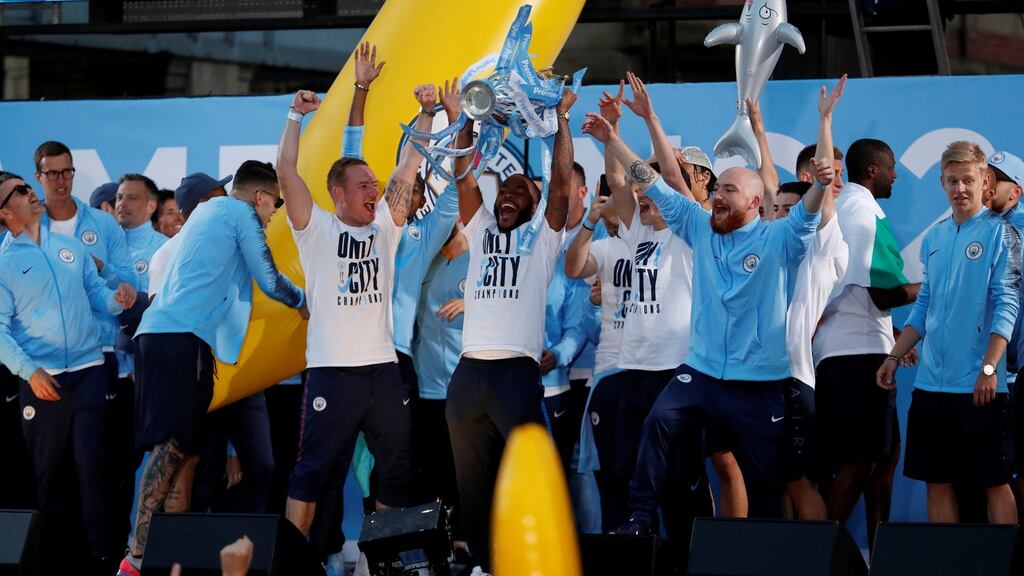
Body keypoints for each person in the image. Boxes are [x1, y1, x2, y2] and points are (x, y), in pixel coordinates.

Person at [582, 97, 829, 530]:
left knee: (764, 482)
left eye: (727, 192)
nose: (716, 197)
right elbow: (654, 182)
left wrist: (821, 185)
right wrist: (614, 139)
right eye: (716, 191)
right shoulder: (698, 226)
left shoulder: (778, 240)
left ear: (754, 204)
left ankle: (766, 549)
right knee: (660, 420)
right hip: (701, 371)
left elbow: (807, 217)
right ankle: (640, 515)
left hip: (759, 382)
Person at [118, 160, 305, 576]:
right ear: (258, 197)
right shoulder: (240, 215)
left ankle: (157, 556)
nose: (273, 212)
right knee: (171, 449)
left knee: (180, 448)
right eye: (272, 203)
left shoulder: (209, 213)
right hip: (177, 340)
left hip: (166, 338)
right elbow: (271, 280)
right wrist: (306, 303)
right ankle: (136, 556)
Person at [279, 57, 423, 536]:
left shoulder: (385, 226)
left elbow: (409, 165)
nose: (374, 190)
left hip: (382, 370)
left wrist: (425, 113)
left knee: (397, 469)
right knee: (313, 472)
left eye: (374, 185)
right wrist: (296, 116)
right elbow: (286, 171)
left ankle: (374, 564)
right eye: (363, 185)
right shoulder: (315, 229)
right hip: (332, 372)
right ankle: (292, 564)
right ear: (337, 194)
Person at [444, 85, 576, 570]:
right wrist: (462, 121)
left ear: (534, 206)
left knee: (528, 477)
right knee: (472, 487)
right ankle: (481, 563)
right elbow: (463, 180)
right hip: (468, 377)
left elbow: (560, 184)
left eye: (521, 193)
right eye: (505, 189)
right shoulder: (479, 229)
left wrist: (561, 119)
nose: (508, 196)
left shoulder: (542, 239)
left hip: (516, 377)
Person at [878, 140, 1020, 525]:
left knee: (993, 483)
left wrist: (990, 369)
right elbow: (925, 306)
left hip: (979, 384)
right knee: (936, 482)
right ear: (941, 182)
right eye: (953, 181)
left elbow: (1008, 304)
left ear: (984, 181)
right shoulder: (935, 239)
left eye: (968, 180)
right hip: (930, 387)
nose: (960, 189)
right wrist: (893, 356)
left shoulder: (1001, 235)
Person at [0, 173, 136, 572]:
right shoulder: (4, 264)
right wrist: (30, 371)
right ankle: (53, 560)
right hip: (44, 381)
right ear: (6, 212)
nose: (32, 193)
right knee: (50, 473)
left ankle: (100, 557)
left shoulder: (68, 246)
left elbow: (94, 293)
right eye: (21, 192)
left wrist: (117, 299)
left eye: (29, 186)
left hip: (90, 369)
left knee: (93, 466)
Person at [812, 137, 919, 548]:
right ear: (872, 170)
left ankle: (876, 554)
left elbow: (856, 292)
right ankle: (822, 553)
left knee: (884, 456)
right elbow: (884, 293)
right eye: (891, 166)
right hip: (857, 358)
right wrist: (929, 289)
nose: (896, 174)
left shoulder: (848, 209)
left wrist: (893, 338)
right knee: (861, 460)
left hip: (849, 351)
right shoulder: (864, 212)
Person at [146, 172, 230, 296]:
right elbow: (157, 306)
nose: (227, 206)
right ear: (199, 208)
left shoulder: (230, 243)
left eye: (226, 199)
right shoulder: (166, 254)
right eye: (219, 202)